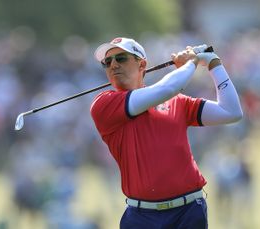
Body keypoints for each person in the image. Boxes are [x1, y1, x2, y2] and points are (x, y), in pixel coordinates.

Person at [90, 37, 243, 229]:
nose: (113, 65)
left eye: (120, 58)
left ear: (142, 64)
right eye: (107, 62)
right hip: (141, 217)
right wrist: (192, 62)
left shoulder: (176, 101)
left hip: (188, 212)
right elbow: (166, 88)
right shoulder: (104, 104)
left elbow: (231, 111)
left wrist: (214, 63)